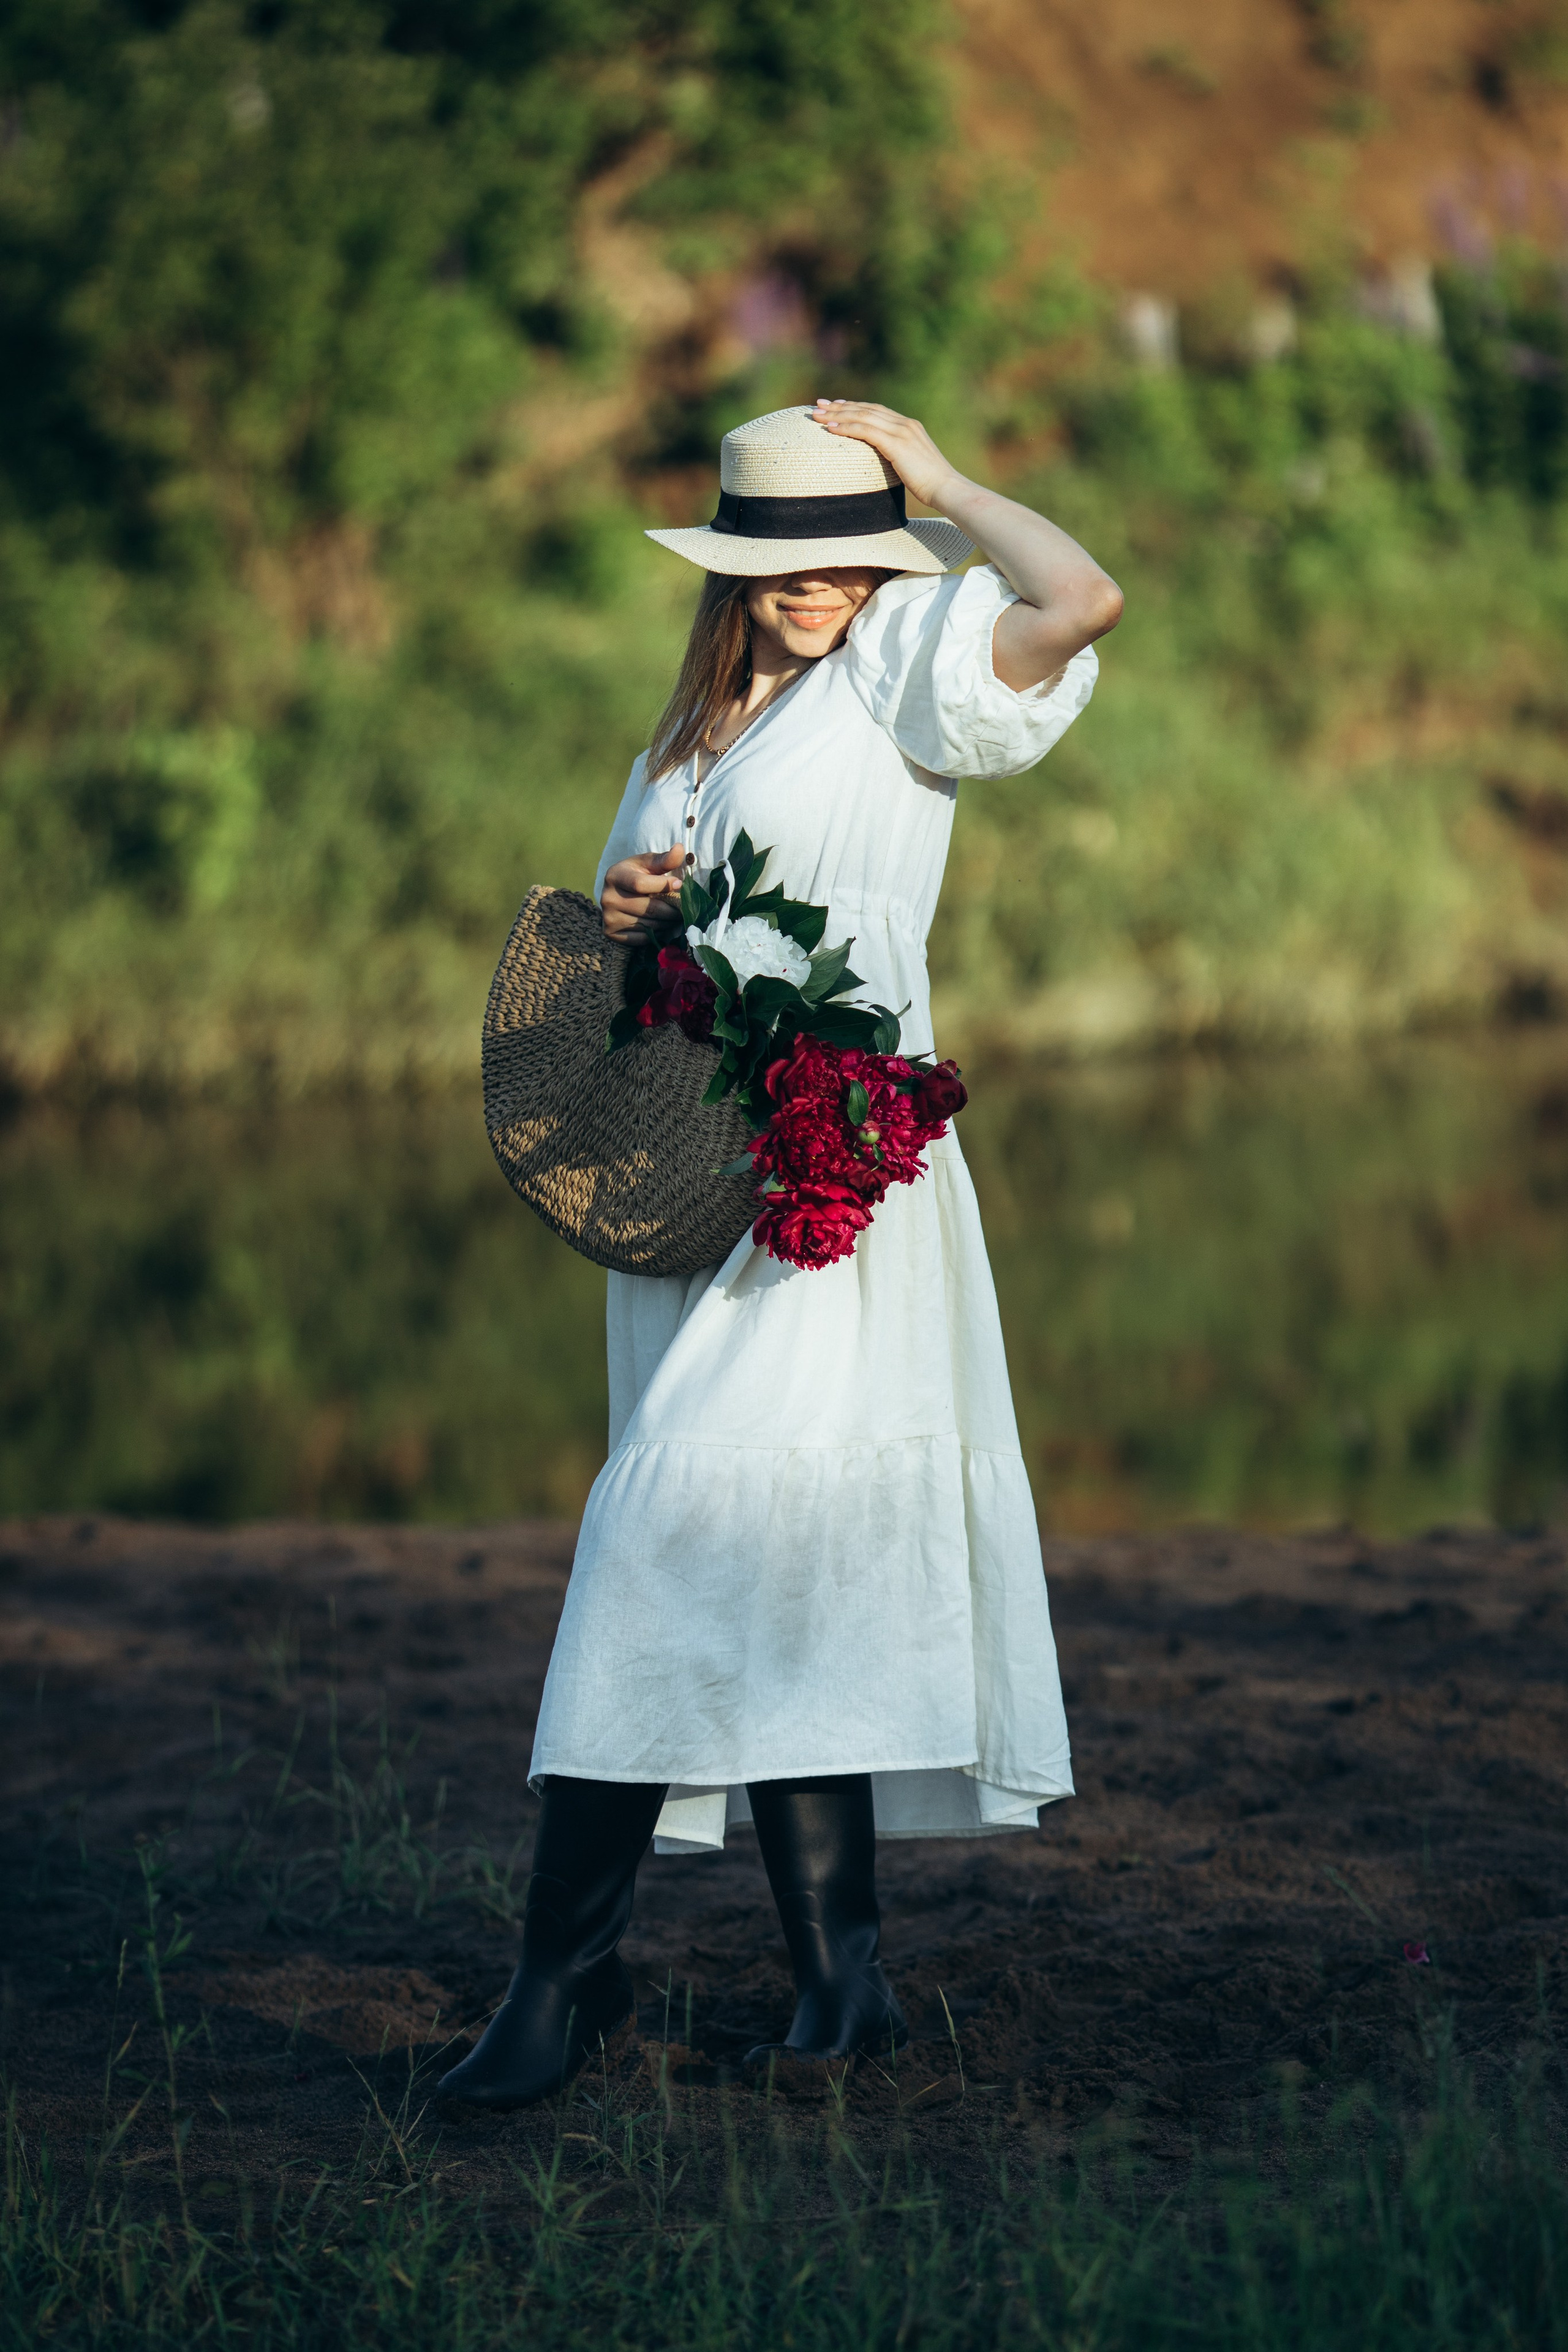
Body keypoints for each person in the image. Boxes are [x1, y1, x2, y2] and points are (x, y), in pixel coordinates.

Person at [440, 399, 1122, 2110]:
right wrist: (629, 913)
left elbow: (1081, 600)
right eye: (782, 558)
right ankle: (842, 1987)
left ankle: (562, 1984)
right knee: (760, 1549)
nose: (816, 584)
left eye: (847, 553)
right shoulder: (683, 732)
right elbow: (650, 944)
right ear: (729, 564)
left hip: (840, 1171)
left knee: (670, 1522)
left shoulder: (902, 662)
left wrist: (943, 487)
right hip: (702, 1173)